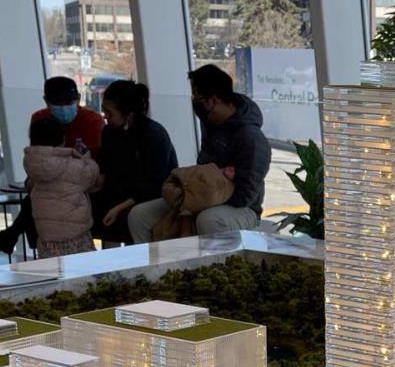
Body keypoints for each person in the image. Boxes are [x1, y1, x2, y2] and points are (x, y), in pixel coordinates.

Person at [129, 64, 269, 241]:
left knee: (208, 220)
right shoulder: (211, 124)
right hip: (202, 196)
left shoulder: (251, 138)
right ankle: (156, 260)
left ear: (214, 100)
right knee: (139, 216)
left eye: (198, 98)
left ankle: (218, 259)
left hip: (243, 209)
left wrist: (201, 199)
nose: (195, 104)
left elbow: (246, 195)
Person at [0, 77, 103, 253]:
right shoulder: (40, 119)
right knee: (41, 196)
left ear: (78, 99)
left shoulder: (92, 121)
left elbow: (95, 164)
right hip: (54, 180)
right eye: (57, 104)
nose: (64, 109)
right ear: (46, 101)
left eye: (68, 103)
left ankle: (12, 234)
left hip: (79, 183)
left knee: (38, 199)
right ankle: (12, 235)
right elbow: (40, 158)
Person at [90, 80, 178, 244]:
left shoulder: (153, 135)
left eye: (110, 113)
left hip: (153, 195)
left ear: (128, 115)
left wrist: (120, 207)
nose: (105, 117)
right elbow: (107, 166)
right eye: (104, 111)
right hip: (123, 192)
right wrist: (100, 177)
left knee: (129, 216)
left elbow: (154, 183)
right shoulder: (109, 132)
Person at [22, 113, 99, 258]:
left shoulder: (32, 164)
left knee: (52, 269)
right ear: (63, 140)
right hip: (74, 235)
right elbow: (91, 175)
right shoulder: (71, 165)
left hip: (46, 236)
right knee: (82, 268)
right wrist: (85, 157)